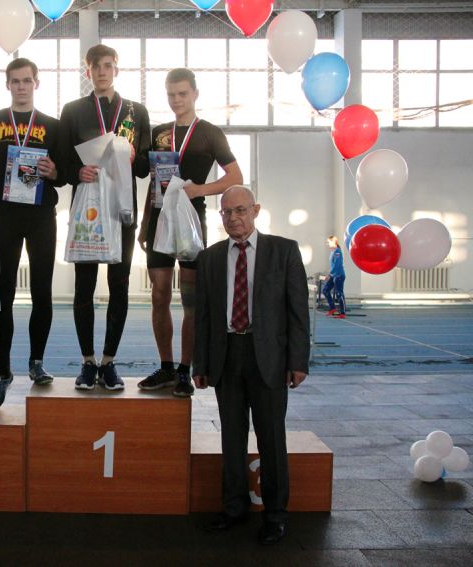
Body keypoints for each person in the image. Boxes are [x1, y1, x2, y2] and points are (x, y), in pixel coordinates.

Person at [192, 185, 309, 546]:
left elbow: (297, 312)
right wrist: (200, 363)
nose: (233, 218)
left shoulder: (284, 251)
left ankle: (275, 516)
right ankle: (234, 508)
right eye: (226, 212)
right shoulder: (210, 258)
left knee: (271, 439)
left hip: (269, 358)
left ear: (256, 211)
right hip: (226, 356)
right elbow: (203, 316)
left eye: (240, 210)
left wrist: (298, 361)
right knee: (231, 437)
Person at [137, 68, 242, 398]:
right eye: (171, 94)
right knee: (159, 296)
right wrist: (144, 223)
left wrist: (200, 190)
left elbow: (234, 176)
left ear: (195, 94)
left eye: (182, 93)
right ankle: (166, 367)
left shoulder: (210, 133)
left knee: (191, 299)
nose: (176, 100)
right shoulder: (158, 133)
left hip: (191, 222)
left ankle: (185, 369)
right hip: (159, 221)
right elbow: (154, 181)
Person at [0, 58, 63, 411]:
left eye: (27, 80)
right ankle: (2, 372)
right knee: (2, 295)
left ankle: (36, 362)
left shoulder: (52, 126)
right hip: (4, 218)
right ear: (7, 84)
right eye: (15, 81)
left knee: (42, 291)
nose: (21, 86)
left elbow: (67, 171)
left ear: (37, 83)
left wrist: (55, 172)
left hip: (41, 217)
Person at [59, 43, 151, 391]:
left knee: (120, 284)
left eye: (108, 65)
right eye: (95, 66)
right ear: (88, 72)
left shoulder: (136, 112)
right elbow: (63, 160)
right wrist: (76, 170)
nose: (101, 72)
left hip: (122, 209)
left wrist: (132, 158)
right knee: (84, 285)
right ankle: (87, 362)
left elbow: (144, 166)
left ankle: (109, 362)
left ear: (116, 69)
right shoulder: (73, 111)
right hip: (88, 209)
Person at [323, 235, 346, 319]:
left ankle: (343, 313)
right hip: (334, 276)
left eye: (328, 242)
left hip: (339, 275)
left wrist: (329, 275)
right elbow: (333, 266)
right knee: (325, 290)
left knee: (339, 293)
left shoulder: (337, 252)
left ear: (333, 242)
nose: (327, 244)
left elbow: (336, 265)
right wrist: (331, 274)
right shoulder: (332, 252)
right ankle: (332, 308)